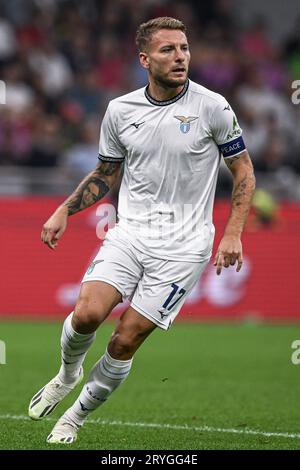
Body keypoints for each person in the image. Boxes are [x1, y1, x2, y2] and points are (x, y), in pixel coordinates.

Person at [28, 17, 256, 444]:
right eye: (168, 50)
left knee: (124, 340)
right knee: (87, 315)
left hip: (185, 247)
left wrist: (233, 232)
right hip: (130, 232)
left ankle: (75, 416)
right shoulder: (120, 110)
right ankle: (66, 375)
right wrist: (63, 209)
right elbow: (104, 173)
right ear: (145, 59)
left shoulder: (213, 106)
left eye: (184, 48)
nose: (180, 57)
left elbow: (243, 170)